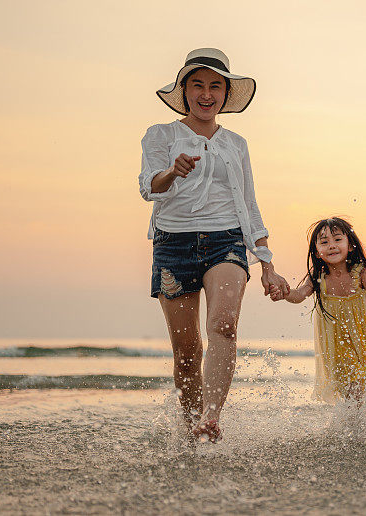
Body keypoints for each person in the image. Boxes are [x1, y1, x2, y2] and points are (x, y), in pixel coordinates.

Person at [139, 48, 290, 443]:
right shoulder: (161, 135)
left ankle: (210, 416)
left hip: (226, 241)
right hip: (173, 244)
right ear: (185, 91)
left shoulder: (237, 143)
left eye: (215, 87)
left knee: (224, 325)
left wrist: (267, 262)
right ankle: (192, 433)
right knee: (186, 353)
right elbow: (148, 187)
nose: (207, 94)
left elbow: (249, 203)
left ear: (225, 94)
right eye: (198, 85)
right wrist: (173, 170)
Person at [271, 218, 366, 404]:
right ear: (317, 251)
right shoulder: (318, 276)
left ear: (351, 245)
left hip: (365, 342)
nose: (331, 246)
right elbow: (299, 296)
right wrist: (285, 293)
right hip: (337, 347)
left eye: (337, 239)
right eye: (324, 242)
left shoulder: (362, 274)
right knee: (352, 391)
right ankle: (353, 428)